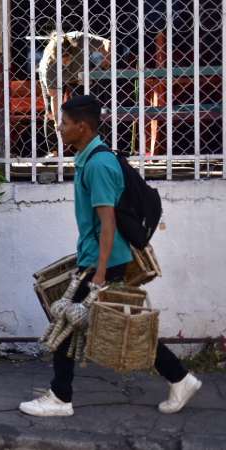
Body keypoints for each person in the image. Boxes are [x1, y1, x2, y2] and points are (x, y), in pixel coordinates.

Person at [19, 95, 201, 417]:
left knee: (67, 318)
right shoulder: (90, 159)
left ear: (82, 127)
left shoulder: (100, 165)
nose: (58, 128)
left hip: (104, 260)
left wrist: (100, 272)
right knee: (104, 321)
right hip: (98, 257)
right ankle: (180, 378)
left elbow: (108, 224)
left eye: (63, 123)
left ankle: (60, 398)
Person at [38, 31, 110, 151]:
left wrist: (107, 59)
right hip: (56, 78)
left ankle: (92, 145)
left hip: (79, 74)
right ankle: (55, 150)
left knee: (89, 107)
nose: (65, 63)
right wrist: (58, 124)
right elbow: (55, 97)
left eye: (67, 58)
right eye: (61, 60)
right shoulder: (49, 65)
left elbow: (106, 43)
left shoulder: (80, 40)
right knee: (51, 111)